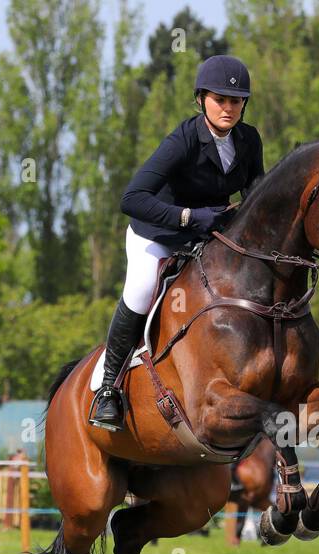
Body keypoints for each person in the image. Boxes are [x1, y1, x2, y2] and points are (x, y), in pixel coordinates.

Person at [89, 54, 267, 431]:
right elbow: (132, 198)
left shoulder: (248, 140)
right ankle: (108, 390)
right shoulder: (183, 140)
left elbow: (256, 196)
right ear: (201, 99)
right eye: (220, 99)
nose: (229, 107)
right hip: (158, 233)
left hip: (208, 237)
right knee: (140, 289)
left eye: (236, 101)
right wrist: (188, 216)